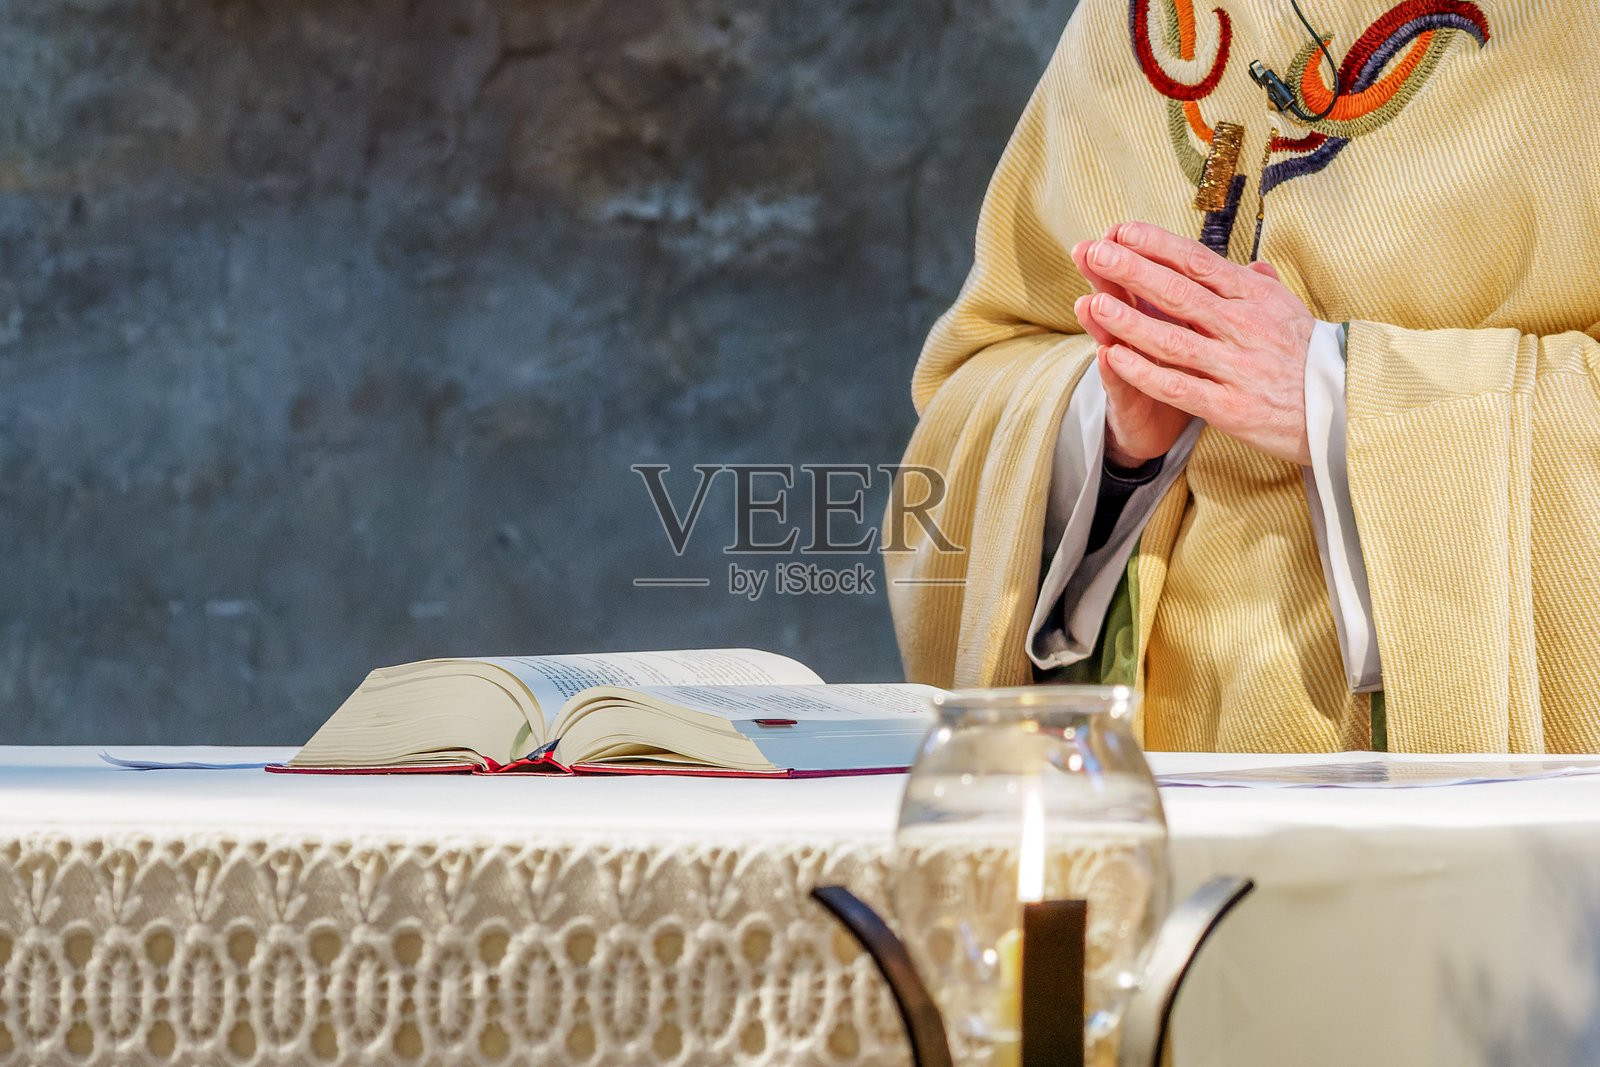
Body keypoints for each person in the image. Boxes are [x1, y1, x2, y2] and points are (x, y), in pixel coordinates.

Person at [884, 0, 1600, 753]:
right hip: (1167, 759)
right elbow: (975, 386)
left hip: (1447, 770)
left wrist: (1334, 391)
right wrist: (1114, 425)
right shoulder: (1121, 26)